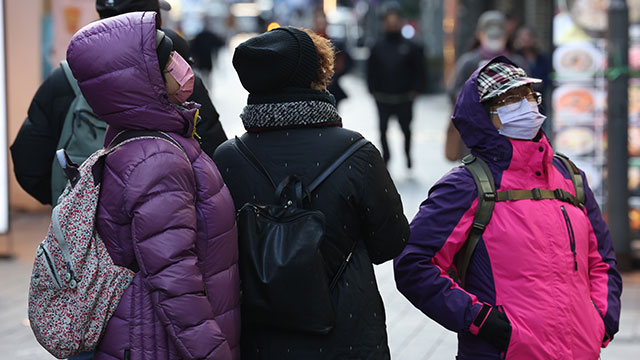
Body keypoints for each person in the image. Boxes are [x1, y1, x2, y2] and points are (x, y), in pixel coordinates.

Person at [394, 57, 622, 359]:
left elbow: (602, 258)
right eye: (510, 99)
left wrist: (602, 321)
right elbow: (414, 264)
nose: (526, 105)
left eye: (529, 96)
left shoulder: (569, 177)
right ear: (483, 116)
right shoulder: (465, 186)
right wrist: (480, 320)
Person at [213, 26, 409, 359]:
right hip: (349, 336)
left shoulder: (227, 158)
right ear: (314, 75)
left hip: (264, 338)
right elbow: (389, 242)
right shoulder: (356, 152)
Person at [66, 11, 240, 359]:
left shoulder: (140, 138)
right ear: (146, 82)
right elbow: (174, 279)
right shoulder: (157, 159)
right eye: (169, 61)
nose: (181, 65)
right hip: (160, 343)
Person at [10, 0, 226, 206]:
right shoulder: (174, 77)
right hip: (169, 223)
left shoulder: (65, 78)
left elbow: (28, 163)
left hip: (83, 236)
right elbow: (215, 157)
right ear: (153, 22)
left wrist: (74, 206)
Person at [445, 10, 528, 162]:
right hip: (474, 138)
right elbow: (452, 92)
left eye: (498, 35)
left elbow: (531, 94)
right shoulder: (468, 62)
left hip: (510, 136)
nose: (494, 39)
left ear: (507, 35)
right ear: (479, 34)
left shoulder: (517, 63)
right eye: (490, 34)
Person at [367, 3, 426, 168]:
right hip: (383, 97)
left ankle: (407, 155)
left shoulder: (410, 46)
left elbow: (419, 70)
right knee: (382, 130)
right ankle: (386, 157)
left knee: (406, 130)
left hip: (404, 97)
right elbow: (371, 70)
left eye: (395, 20)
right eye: (389, 20)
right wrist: (372, 90)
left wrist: (417, 89)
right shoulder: (377, 46)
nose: (392, 23)